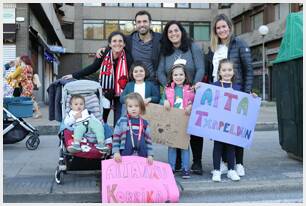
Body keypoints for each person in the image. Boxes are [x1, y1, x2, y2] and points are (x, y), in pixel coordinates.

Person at [207, 14, 253, 177]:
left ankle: (239, 163)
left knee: (236, 129)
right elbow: (210, 71)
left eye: (224, 27)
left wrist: (246, 93)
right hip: (218, 93)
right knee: (221, 130)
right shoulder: (214, 47)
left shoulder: (239, 43)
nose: (221, 30)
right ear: (215, 30)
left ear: (229, 27)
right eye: (218, 28)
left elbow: (248, 69)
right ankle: (225, 163)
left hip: (236, 92)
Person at [157, 20, 205, 175]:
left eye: (176, 30)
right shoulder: (166, 51)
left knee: (193, 129)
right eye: (170, 32)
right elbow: (160, 72)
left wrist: (193, 85)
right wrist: (169, 86)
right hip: (173, 94)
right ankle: (177, 162)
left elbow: (200, 68)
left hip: (192, 92)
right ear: (167, 35)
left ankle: (196, 162)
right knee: (176, 128)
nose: (173, 34)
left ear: (181, 31)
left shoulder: (193, 48)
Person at [62, 31, 133, 126]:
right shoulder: (104, 54)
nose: (117, 43)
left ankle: (116, 139)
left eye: (120, 41)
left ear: (124, 44)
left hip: (121, 92)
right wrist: (74, 75)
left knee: (119, 119)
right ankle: (103, 137)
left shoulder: (128, 57)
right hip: (105, 92)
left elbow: (132, 74)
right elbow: (93, 67)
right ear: (110, 44)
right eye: (114, 41)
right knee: (102, 118)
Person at [96, 10, 162, 83]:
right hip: (134, 82)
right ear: (135, 24)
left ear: (150, 22)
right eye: (139, 22)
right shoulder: (129, 40)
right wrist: (104, 48)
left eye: (145, 21)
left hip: (153, 82)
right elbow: (116, 45)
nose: (142, 24)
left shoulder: (160, 39)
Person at [160, 62, 195, 179]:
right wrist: (164, 101)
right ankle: (171, 168)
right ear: (172, 76)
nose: (178, 77)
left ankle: (185, 169)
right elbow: (162, 101)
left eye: (181, 74)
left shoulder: (190, 89)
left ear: (185, 76)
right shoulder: (168, 89)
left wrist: (191, 106)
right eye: (176, 75)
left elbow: (195, 103)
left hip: (185, 121)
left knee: (184, 146)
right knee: (172, 146)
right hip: (172, 121)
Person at [211, 59, 241, 182]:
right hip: (218, 123)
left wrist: (252, 97)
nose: (227, 72)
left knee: (231, 146)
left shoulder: (238, 87)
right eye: (224, 70)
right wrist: (199, 87)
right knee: (217, 146)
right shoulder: (214, 86)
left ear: (233, 72)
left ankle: (231, 170)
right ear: (219, 72)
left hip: (232, 123)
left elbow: (243, 104)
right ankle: (217, 170)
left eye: (229, 70)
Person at [112, 92, 154, 165]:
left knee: (140, 175)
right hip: (125, 154)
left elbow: (148, 141)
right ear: (126, 108)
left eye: (136, 106)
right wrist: (116, 152)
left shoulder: (145, 123)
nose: (133, 109)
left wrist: (150, 155)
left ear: (141, 107)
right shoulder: (121, 121)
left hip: (142, 155)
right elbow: (116, 138)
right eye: (130, 106)